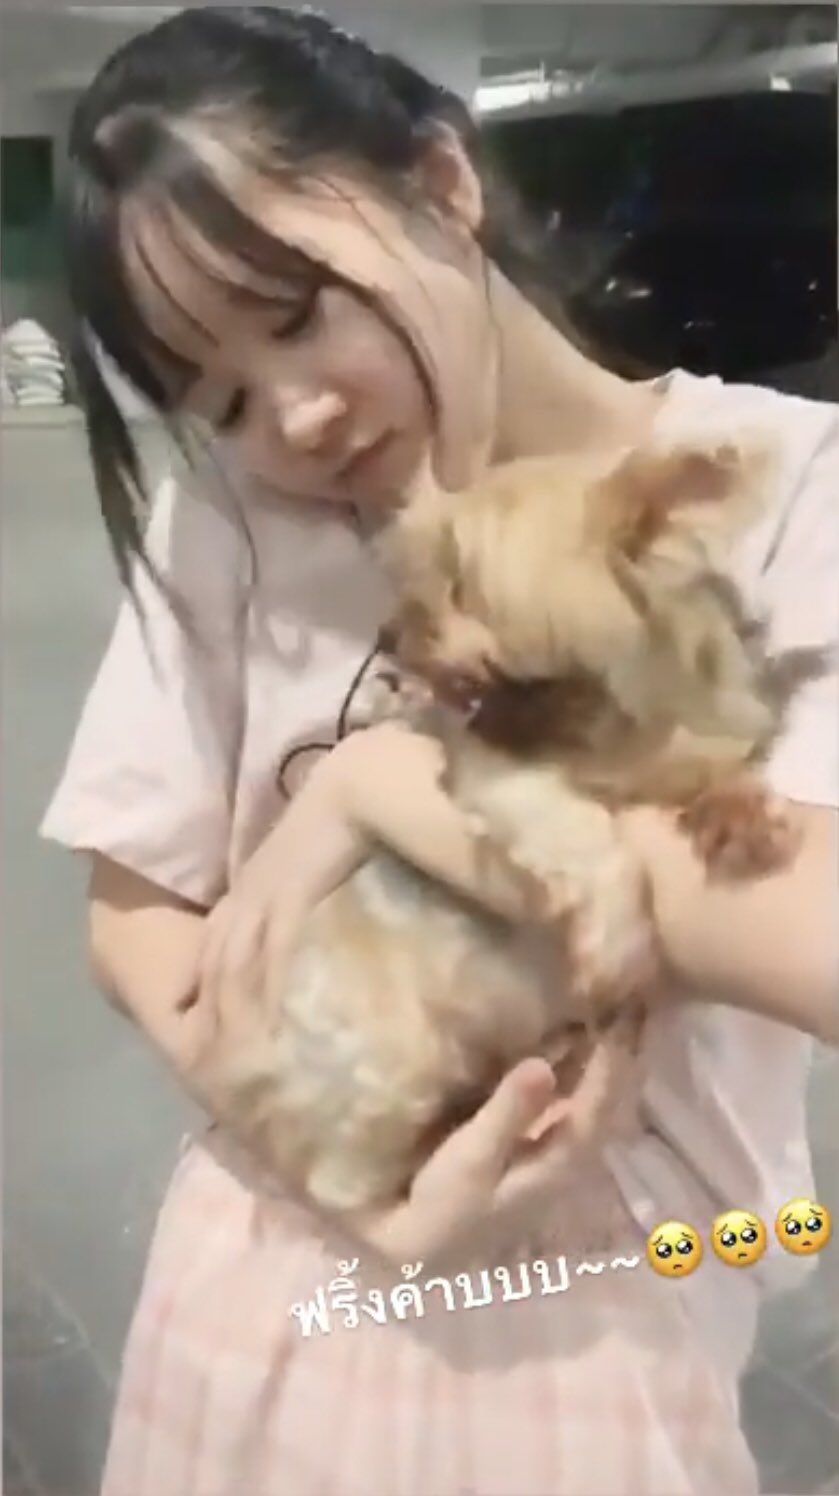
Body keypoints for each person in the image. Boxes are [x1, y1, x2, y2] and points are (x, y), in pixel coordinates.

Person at [41, 8, 838, 1494]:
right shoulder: (236, 522)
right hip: (263, 1256)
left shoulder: (779, 490)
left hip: (597, 1306)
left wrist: (390, 784)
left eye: (299, 314)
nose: (297, 416)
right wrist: (331, 1167)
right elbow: (135, 915)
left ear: (440, 181)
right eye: (221, 399)